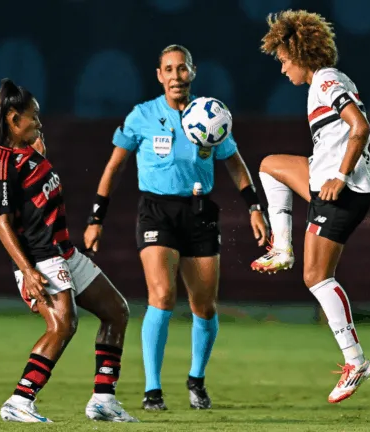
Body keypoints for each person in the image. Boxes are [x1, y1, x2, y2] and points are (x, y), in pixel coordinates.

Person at [83, 45, 268, 411]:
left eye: (182, 69)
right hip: (156, 212)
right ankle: (152, 390)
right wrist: (96, 218)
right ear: (159, 76)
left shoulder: (211, 115)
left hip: (199, 213)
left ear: (192, 72)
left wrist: (254, 207)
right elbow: (114, 166)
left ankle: (196, 380)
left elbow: (234, 163)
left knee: (205, 307)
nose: (175, 76)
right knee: (162, 295)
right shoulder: (142, 116)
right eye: (168, 69)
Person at [0, 78, 138, 423]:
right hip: (39, 258)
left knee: (116, 311)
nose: (39, 122)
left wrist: (39, 156)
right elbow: (3, 224)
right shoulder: (3, 164)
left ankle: (104, 400)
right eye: (33, 116)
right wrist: (28, 271)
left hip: (64, 251)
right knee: (63, 324)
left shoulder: (30, 153)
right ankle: (19, 401)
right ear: (13, 119)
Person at [255, 10, 370, 403]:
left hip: (343, 190)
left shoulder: (326, 80)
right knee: (270, 166)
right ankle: (282, 248)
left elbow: (360, 127)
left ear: (299, 54)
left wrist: (339, 176)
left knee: (316, 277)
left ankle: (355, 361)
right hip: (323, 180)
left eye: (283, 60)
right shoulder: (322, 84)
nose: (282, 69)